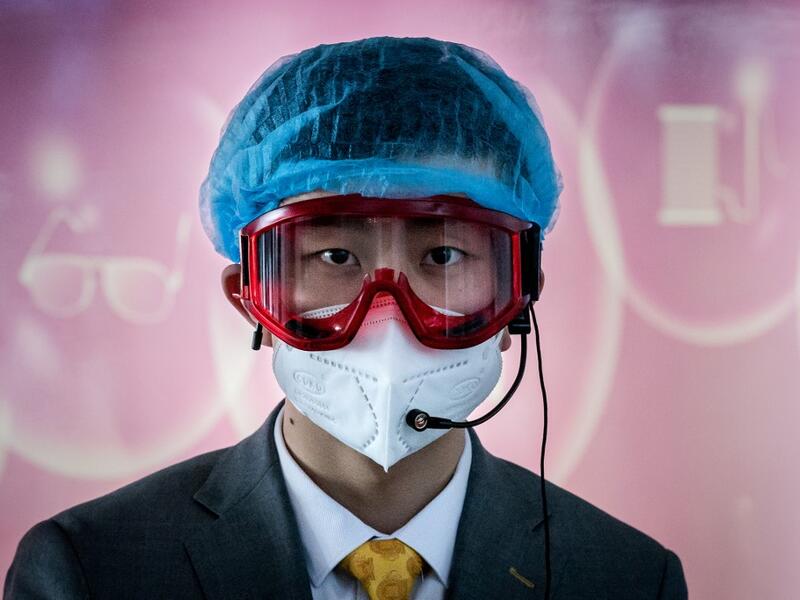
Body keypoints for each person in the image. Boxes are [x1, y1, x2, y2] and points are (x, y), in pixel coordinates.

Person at [4, 36, 687, 599]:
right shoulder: (93, 572)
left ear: (520, 294)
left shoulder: (625, 580)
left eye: (443, 254)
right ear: (249, 297)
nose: (387, 318)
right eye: (335, 256)